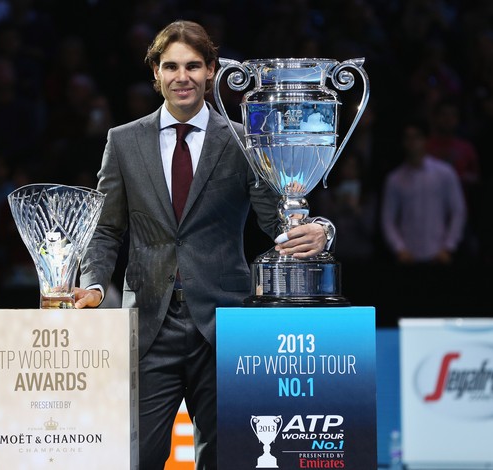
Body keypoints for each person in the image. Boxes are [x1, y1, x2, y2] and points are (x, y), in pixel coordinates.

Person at [73, 20, 332, 470]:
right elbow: (106, 229)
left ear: (211, 70)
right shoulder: (123, 141)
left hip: (223, 325)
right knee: (136, 458)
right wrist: (94, 285)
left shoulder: (243, 139)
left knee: (226, 458)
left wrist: (319, 230)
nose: (182, 77)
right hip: (149, 325)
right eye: (171, 66)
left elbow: (277, 218)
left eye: (193, 65)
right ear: (155, 72)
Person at [381, 121, 466, 264]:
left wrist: (448, 247)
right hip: (408, 257)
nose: (413, 142)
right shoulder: (394, 179)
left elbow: (458, 211)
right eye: (408, 138)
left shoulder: (444, 173)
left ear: (426, 140)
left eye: (417, 137)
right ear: (403, 142)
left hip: (439, 256)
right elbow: (388, 219)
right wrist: (399, 248)